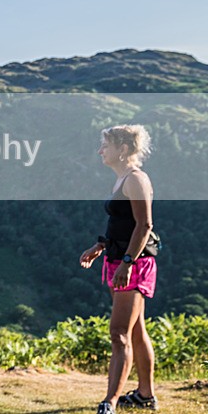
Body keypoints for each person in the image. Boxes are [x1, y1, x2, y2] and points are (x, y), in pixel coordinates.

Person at [79, 125, 157, 414]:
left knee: (119, 333)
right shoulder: (122, 179)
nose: (101, 150)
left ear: (123, 149)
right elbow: (122, 224)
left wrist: (127, 263)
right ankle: (145, 396)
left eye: (105, 145)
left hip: (133, 264)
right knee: (136, 331)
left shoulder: (135, 179)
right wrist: (100, 246)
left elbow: (144, 225)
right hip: (120, 259)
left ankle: (110, 401)